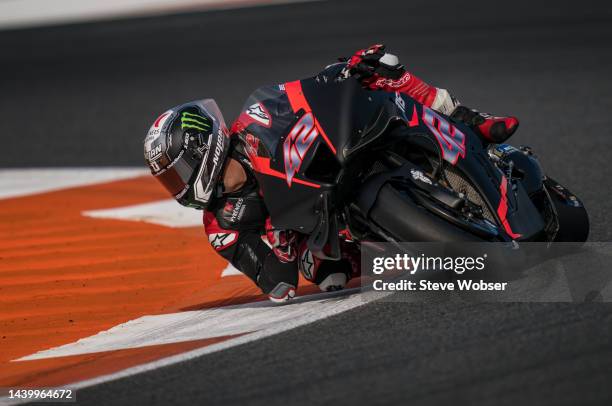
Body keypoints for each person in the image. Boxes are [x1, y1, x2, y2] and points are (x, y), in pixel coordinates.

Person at [143, 44, 519, 303]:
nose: (178, 185)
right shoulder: (220, 225)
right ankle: (416, 246)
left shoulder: (255, 118)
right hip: (318, 229)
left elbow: (300, 93)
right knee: (325, 274)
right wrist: (282, 241)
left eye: (178, 172)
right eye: (169, 180)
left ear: (199, 148)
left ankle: (468, 120)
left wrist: (340, 74)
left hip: (336, 158)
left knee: (381, 68)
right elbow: (275, 282)